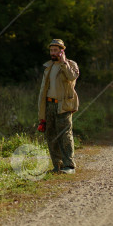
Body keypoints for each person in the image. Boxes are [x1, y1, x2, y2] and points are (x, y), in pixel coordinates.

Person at [37, 39, 79, 174]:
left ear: (62, 51)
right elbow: (43, 90)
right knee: (51, 136)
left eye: (56, 50)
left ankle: (69, 166)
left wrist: (64, 62)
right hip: (49, 105)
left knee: (65, 135)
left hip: (64, 106)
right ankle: (58, 165)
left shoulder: (71, 65)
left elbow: (72, 77)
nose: (53, 53)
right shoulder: (48, 67)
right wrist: (41, 113)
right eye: (51, 50)